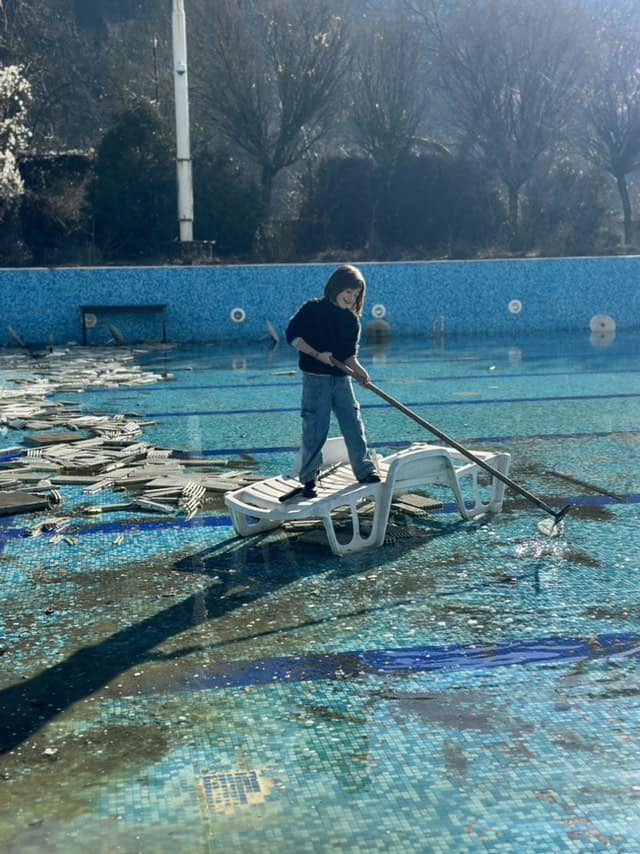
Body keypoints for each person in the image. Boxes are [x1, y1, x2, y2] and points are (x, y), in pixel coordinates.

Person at [285, 264, 380, 498]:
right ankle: (308, 479)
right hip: (316, 380)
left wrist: (359, 371)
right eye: (348, 291)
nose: (351, 298)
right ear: (336, 287)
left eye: (356, 294)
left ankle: (365, 470)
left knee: (353, 424)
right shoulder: (312, 309)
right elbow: (293, 337)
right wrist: (318, 354)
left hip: (341, 380)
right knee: (316, 429)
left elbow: (348, 355)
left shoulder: (351, 321)